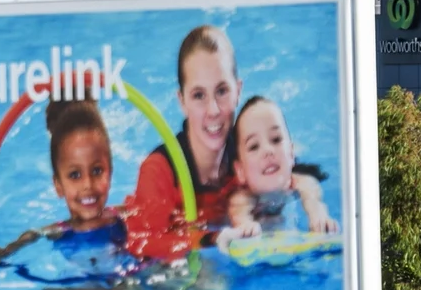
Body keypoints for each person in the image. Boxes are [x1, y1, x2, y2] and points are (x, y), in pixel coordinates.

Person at [0, 98, 129, 272]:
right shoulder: (52, 233)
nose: (88, 184)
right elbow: (2, 256)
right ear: (58, 186)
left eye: (96, 171)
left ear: (110, 172)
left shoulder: (126, 215)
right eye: (75, 175)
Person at [125, 25, 242, 262]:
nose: (213, 110)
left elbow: (291, 174)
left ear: (238, 91)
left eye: (222, 91)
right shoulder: (159, 171)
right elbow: (142, 245)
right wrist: (208, 240)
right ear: (182, 101)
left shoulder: (249, 150)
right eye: (199, 95)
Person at [220, 97, 339, 239]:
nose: (268, 150)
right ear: (240, 172)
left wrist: (319, 217)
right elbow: (240, 216)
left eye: (276, 139)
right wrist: (245, 225)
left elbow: (314, 202)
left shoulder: (302, 182)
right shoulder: (242, 198)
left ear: (291, 154)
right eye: (254, 146)